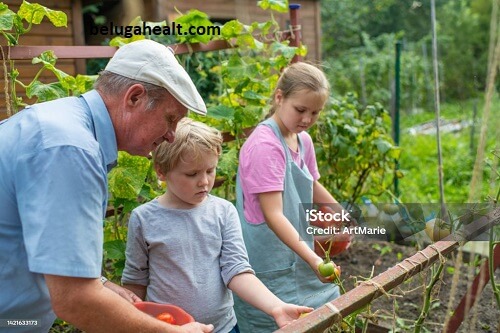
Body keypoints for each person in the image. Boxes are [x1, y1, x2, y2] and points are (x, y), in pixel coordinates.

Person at [0, 39, 214, 333]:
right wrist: (169, 332)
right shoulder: (71, 149)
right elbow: (74, 299)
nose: (171, 136)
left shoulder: (62, 125)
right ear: (134, 97)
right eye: (170, 119)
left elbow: (31, 237)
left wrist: (98, 283)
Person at [122, 118, 313, 333]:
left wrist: (275, 307)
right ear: (161, 171)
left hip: (222, 327)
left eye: (210, 170)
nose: (204, 181)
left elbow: (237, 270)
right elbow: (135, 281)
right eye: (192, 174)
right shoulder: (143, 218)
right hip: (169, 328)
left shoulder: (223, 212)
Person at [234, 62, 354, 331]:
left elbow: (310, 184)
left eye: (315, 112)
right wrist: (313, 259)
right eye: (300, 110)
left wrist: (342, 215)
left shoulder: (303, 140)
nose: (307, 119)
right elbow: (273, 214)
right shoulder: (265, 146)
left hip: (298, 253)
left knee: (317, 318)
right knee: (275, 324)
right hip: (268, 261)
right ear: (279, 97)